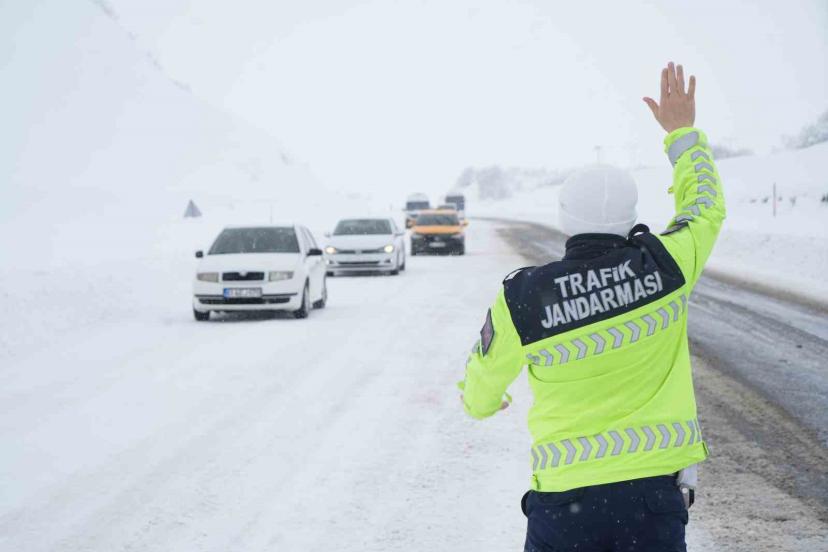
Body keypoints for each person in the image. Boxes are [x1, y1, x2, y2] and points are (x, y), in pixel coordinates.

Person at [459, 62, 725, 551]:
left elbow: (480, 387)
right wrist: (682, 134)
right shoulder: (667, 264)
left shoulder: (522, 297)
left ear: (564, 218)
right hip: (653, 502)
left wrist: (485, 401)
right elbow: (705, 206)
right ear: (631, 217)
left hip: (564, 506)